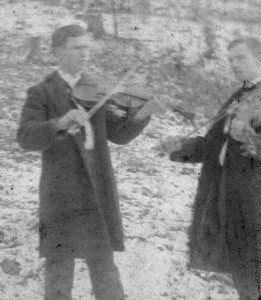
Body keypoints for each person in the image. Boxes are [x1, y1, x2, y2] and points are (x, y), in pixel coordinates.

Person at [17, 24, 165, 300]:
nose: (85, 54)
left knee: (104, 268)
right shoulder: (42, 92)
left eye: (87, 47)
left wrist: (144, 112)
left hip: (96, 191)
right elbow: (26, 137)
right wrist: (59, 122)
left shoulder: (94, 88)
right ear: (58, 51)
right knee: (60, 269)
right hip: (61, 194)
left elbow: (120, 134)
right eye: (77, 48)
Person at [162, 37, 261, 300]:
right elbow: (212, 144)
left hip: (253, 203)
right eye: (231, 59)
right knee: (244, 279)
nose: (234, 64)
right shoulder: (239, 96)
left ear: (260, 59)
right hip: (226, 199)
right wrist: (179, 147)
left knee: (251, 281)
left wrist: (246, 135)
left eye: (241, 58)